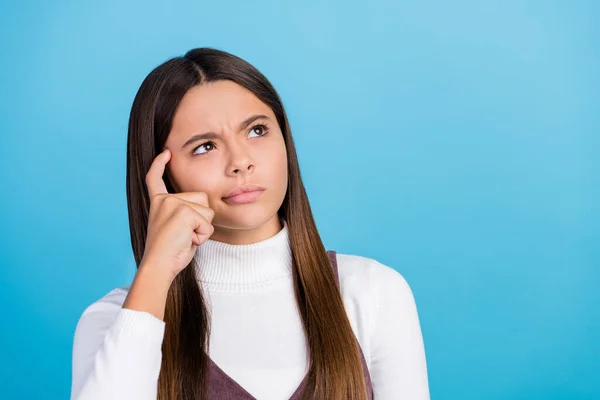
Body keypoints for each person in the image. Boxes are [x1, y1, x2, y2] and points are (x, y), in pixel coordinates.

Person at [70, 47, 430, 400]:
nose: (240, 162)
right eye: (204, 147)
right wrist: (155, 270)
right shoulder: (115, 322)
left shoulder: (372, 293)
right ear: (162, 175)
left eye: (257, 131)